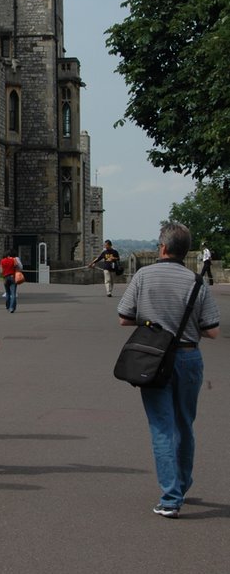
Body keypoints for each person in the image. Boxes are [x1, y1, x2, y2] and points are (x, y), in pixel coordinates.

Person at [117, 221, 219, 518]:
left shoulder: (143, 276)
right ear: (186, 252)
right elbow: (212, 331)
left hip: (154, 357)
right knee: (184, 424)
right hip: (188, 358)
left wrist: (152, 321)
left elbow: (124, 317)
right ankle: (182, 485)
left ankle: (170, 497)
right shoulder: (196, 282)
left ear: (162, 247)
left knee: (161, 427)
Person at [0, 248, 23, 312]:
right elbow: (18, 267)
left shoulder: (2, 261)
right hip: (12, 276)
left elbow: (1, 271)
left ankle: (7, 306)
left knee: (7, 293)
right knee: (13, 293)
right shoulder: (14, 260)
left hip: (5, 277)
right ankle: (12, 308)